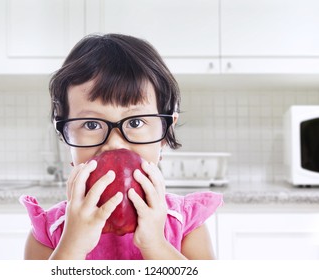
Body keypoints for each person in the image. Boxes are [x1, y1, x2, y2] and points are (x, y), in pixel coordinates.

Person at [19, 33, 223, 260]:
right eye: (91, 124)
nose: (114, 143)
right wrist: (72, 247)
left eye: (135, 122)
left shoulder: (184, 224)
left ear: (166, 132)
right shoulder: (50, 231)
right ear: (65, 133)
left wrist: (155, 245)